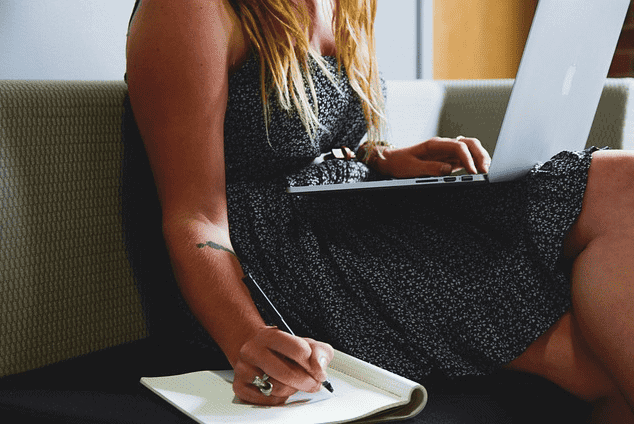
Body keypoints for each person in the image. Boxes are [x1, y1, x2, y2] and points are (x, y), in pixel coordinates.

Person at [125, 0, 634, 420]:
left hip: (349, 215)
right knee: (595, 361)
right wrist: (248, 339)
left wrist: (384, 159)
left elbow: (307, 136)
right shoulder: (189, 10)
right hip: (278, 260)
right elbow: (195, 217)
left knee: (623, 181)